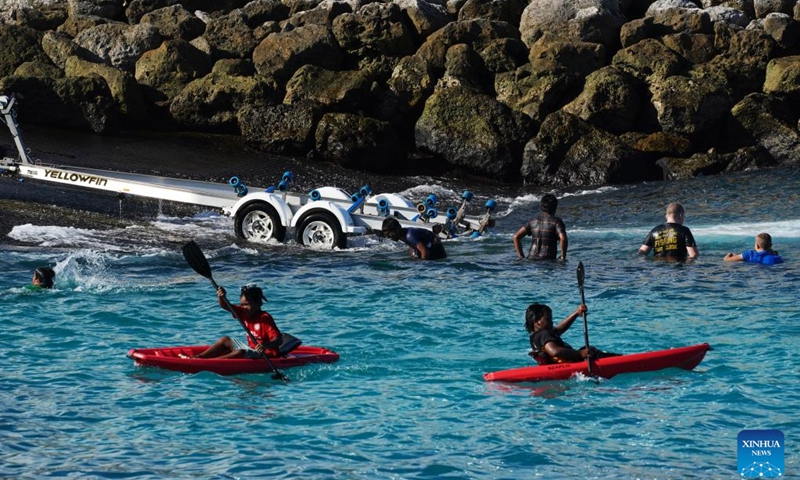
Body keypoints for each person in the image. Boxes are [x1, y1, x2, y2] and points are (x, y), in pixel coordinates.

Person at [191, 284, 281, 359]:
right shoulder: (243, 312)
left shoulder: (265, 318)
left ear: (258, 304)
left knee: (240, 352)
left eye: (247, 304)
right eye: (242, 304)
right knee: (225, 340)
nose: (244, 307)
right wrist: (221, 296)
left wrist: (265, 345)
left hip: (266, 354)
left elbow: (279, 340)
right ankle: (198, 357)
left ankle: (210, 362)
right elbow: (226, 305)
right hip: (252, 350)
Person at [524, 302, 616, 364]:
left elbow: (559, 329)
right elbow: (554, 351)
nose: (552, 322)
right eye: (548, 319)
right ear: (537, 322)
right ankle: (619, 359)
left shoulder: (536, 336)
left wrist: (576, 313)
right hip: (568, 364)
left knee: (586, 349)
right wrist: (580, 354)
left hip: (557, 365)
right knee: (590, 351)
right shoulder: (544, 334)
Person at [513, 193, 567, 261]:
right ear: (555, 208)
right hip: (547, 260)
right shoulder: (557, 222)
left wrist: (521, 256)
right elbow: (563, 239)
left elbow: (516, 237)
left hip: (531, 259)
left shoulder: (532, 221)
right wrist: (563, 257)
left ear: (541, 206)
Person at [381, 217, 447, 260]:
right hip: (426, 243)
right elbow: (412, 245)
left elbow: (424, 251)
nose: (390, 238)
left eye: (391, 235)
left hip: (435, 247)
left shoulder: (409, 235)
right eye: (387, 236)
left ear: (398, 228)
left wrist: (423, 266)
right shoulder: (402, 235)